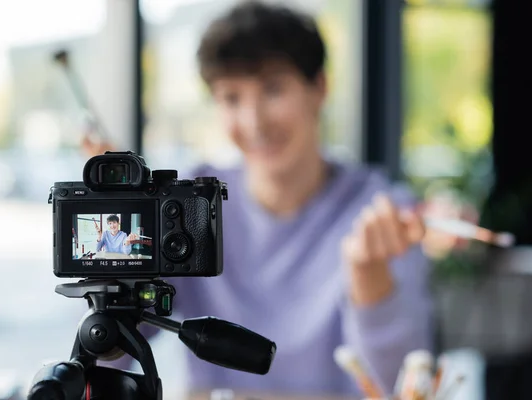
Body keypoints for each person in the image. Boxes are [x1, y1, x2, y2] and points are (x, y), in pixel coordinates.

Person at [84, 1, 433, 396]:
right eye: (232, 98)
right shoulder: (190, 203)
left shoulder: (381, 212)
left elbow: (403, 385)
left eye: (273, 89)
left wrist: (369, 276)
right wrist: (117, 253)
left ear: (319, 88)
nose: (254, 122)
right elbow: (110, 356)